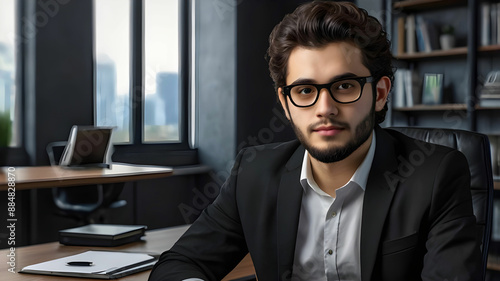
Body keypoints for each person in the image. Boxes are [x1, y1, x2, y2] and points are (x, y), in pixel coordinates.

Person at [149, 1, 481, 280]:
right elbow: (179, 264)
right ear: (286, 103)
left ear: (379, 94)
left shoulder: (436, 174)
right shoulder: (253, 173)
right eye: (305, 90)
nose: (325, 109)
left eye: (345, 86)